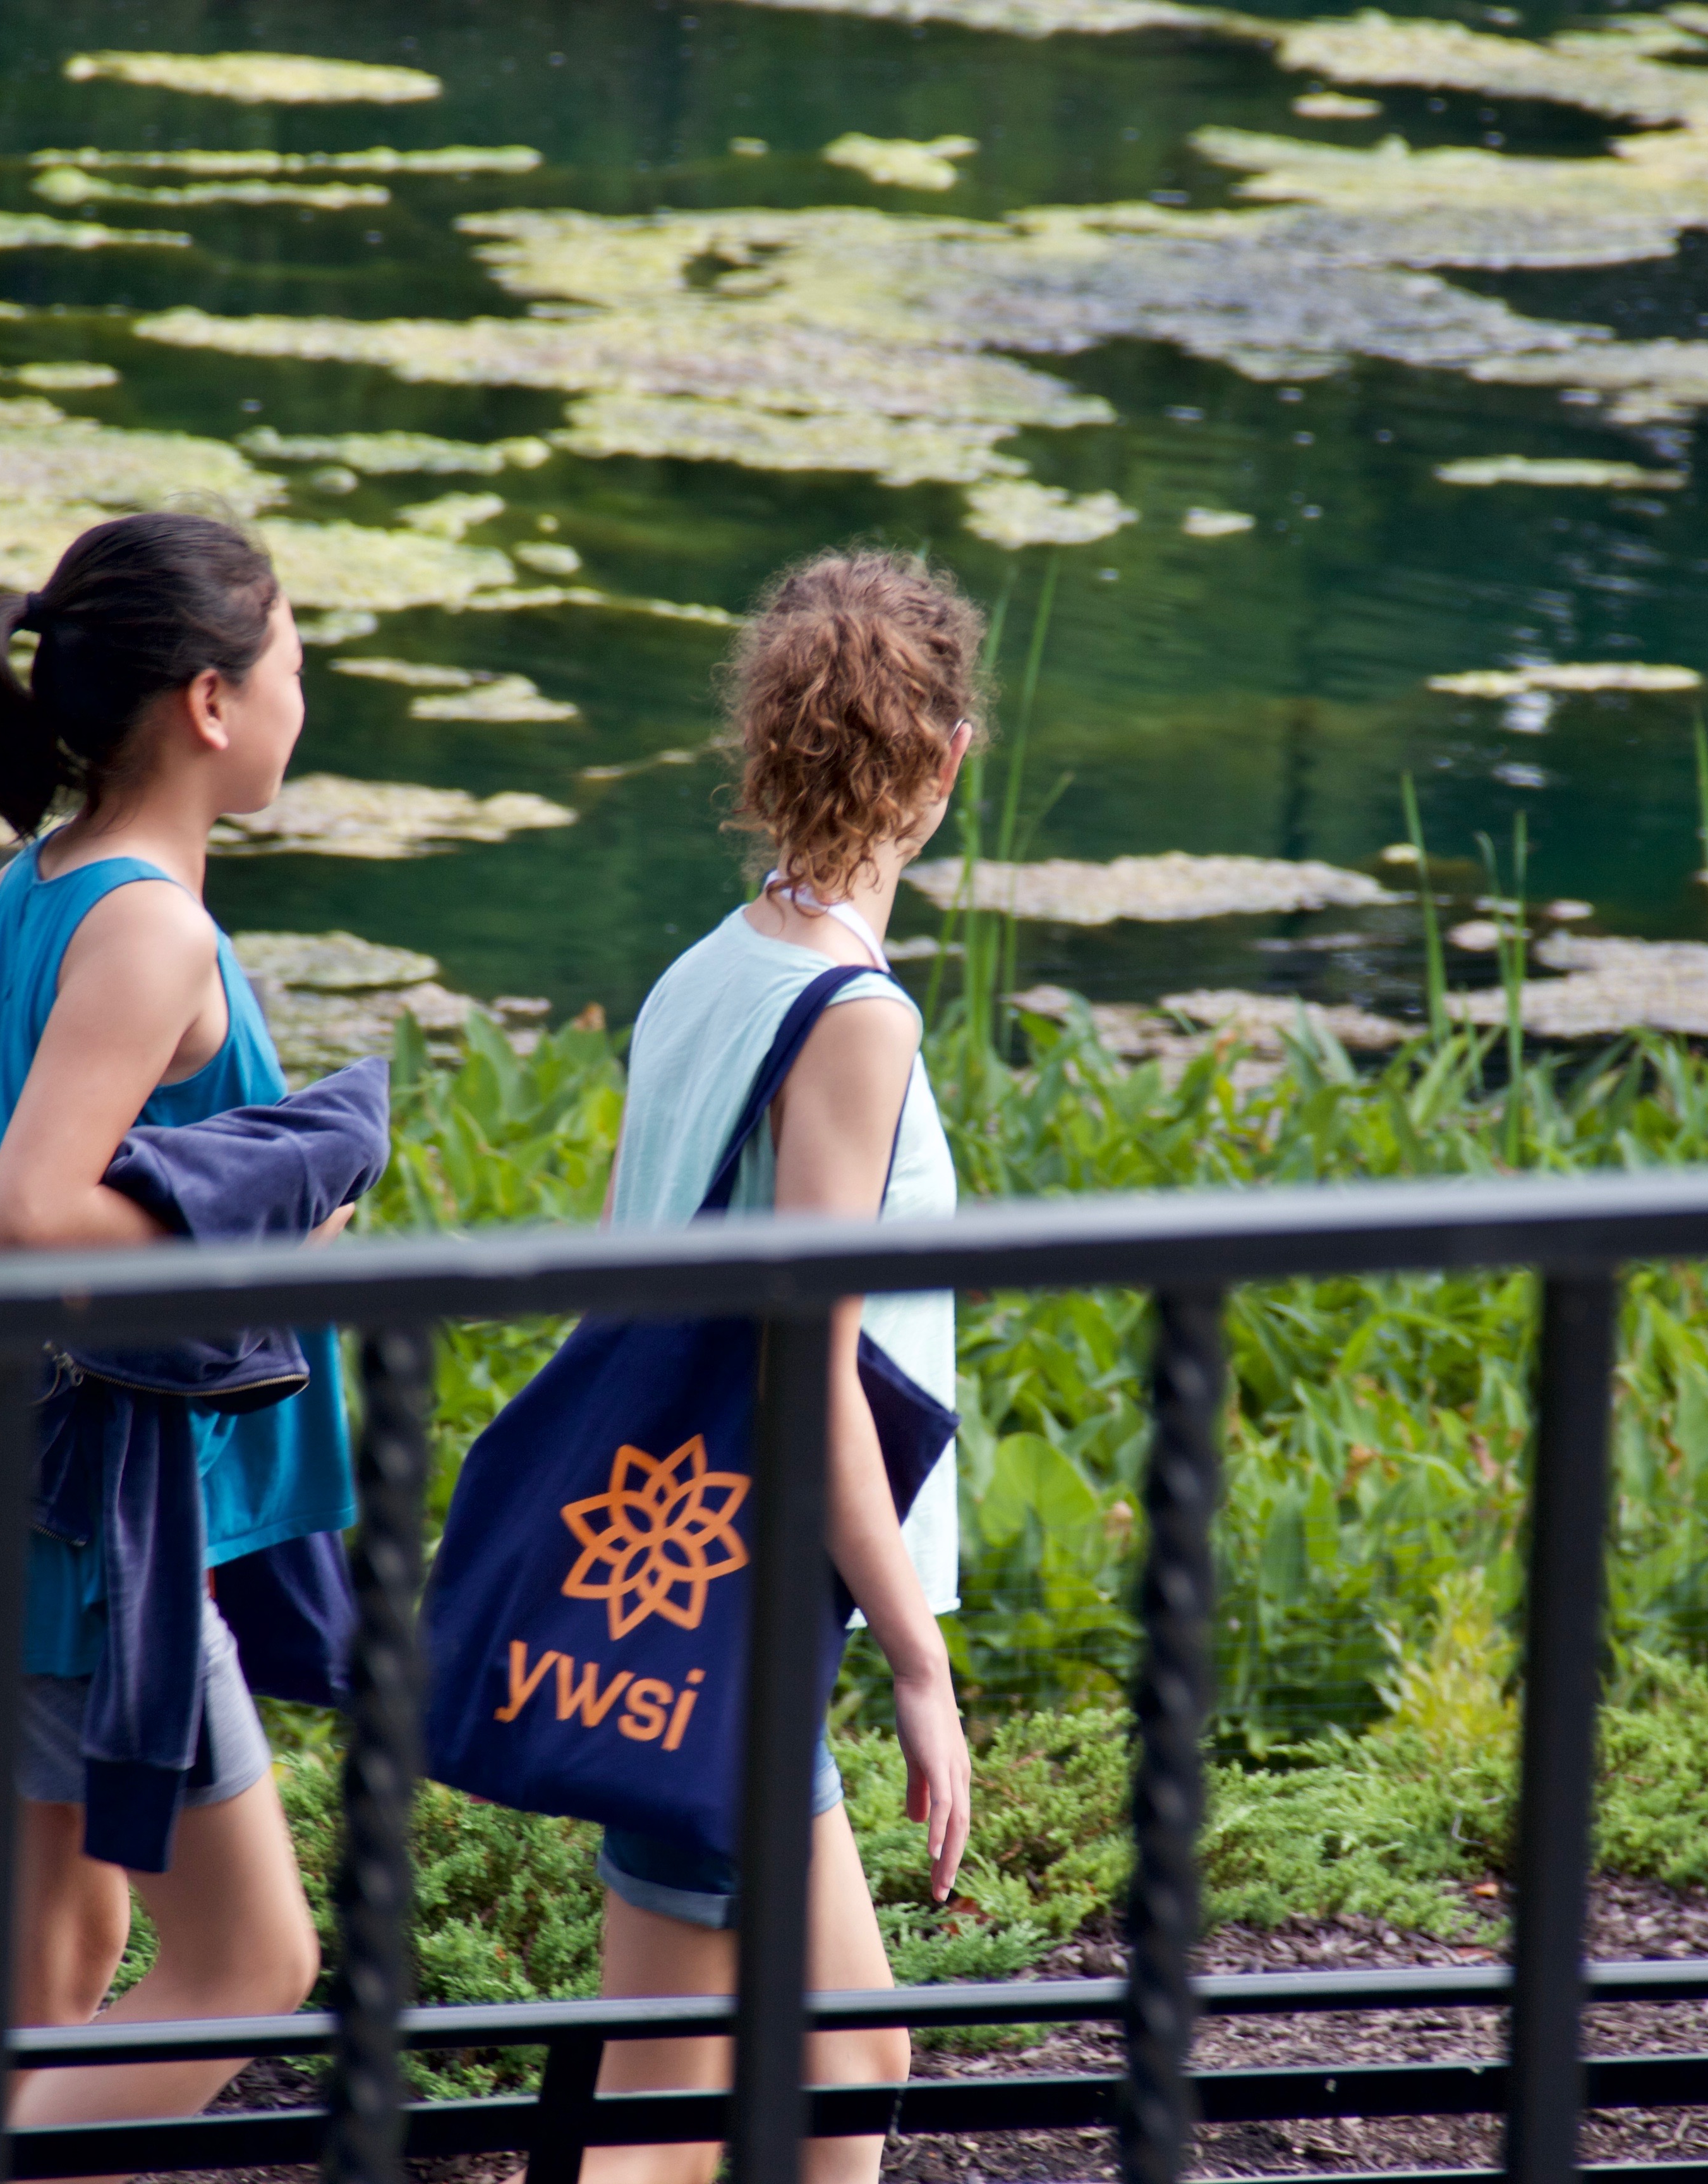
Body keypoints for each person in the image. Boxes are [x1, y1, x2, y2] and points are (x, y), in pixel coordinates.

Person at [0, 512, 349, 2166]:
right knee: (251, 1963)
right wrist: (256, 1220)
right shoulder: (154, 927)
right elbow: (32, 1217)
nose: (300, 696)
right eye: (291, 664)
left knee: (57, 1960)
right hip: (88, 1514)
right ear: (210, 701)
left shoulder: (32, 889)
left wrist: (73, 1167)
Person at [583, 547, 982, 2184]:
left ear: (765, 748)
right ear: (948, 759)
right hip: (745, 1598)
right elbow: (811, 1378)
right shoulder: (853, 1016)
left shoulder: (714, 966)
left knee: (770, 2076)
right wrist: (919, 1664)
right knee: (762, 2095)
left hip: (681, 1573)